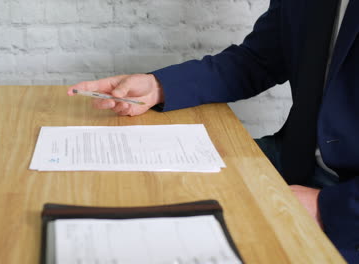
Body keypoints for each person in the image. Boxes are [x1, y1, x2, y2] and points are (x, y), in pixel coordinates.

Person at [67, 0, 359, 262]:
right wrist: (158, 86)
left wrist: (328, 208)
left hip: (347, 202)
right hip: (295, 157)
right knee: (143, 190)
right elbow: (257, 60)